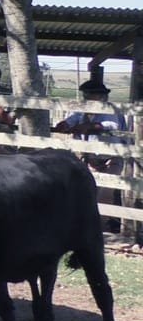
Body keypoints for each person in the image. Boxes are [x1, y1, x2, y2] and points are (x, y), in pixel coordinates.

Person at [53, 76, 128, 233]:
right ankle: (89, 228)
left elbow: (111, 124)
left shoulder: (110, 110)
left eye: (90, 94)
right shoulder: (81, 111)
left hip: (111, 158)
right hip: (91, 159)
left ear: (101, 96)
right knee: (88, 193)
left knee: (104, 195)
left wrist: (89, 126)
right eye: (85, 94)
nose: (86, 97)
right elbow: (71, 120)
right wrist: (65, 125)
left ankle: (98, 230)